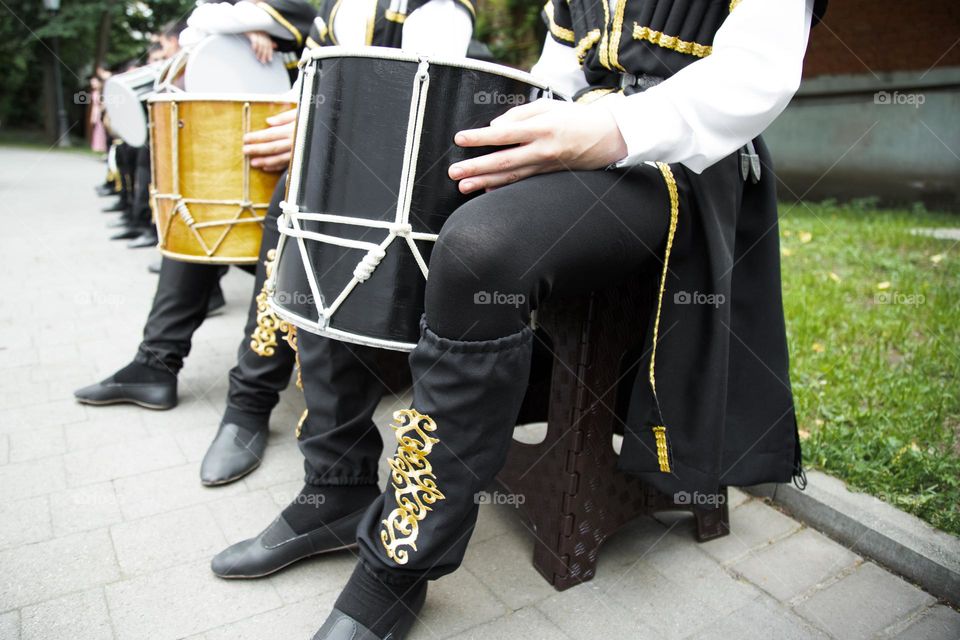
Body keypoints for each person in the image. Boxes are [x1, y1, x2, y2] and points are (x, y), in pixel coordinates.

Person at [221, 0, 828, 638]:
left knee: (481, 249)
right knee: (352, 190)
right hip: (576, 137)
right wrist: (348, 122)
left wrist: (613, 127)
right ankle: (334, 483)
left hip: (684, 163)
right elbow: (554, 80)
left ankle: (400, 564)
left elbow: (760, 75)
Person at [198, 0, 474, 487]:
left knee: (303, 190)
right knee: (269, 174)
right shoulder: (335, 7)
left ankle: (258, 407)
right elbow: (310, 86)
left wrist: (313, 129)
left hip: (412, 176)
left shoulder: (438, 9)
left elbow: (411, 110)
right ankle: (215, 386)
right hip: (339, 154)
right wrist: (299, 122)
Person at [74, 1, 318, 422]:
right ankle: (154, 364)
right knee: (202, 214)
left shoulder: (303, 7)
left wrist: (236, 25)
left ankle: (248, 403)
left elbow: (202, 19)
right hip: (270, 156)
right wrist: (240, 29)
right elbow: (193, 30)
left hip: (316, 176)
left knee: (252, 220)